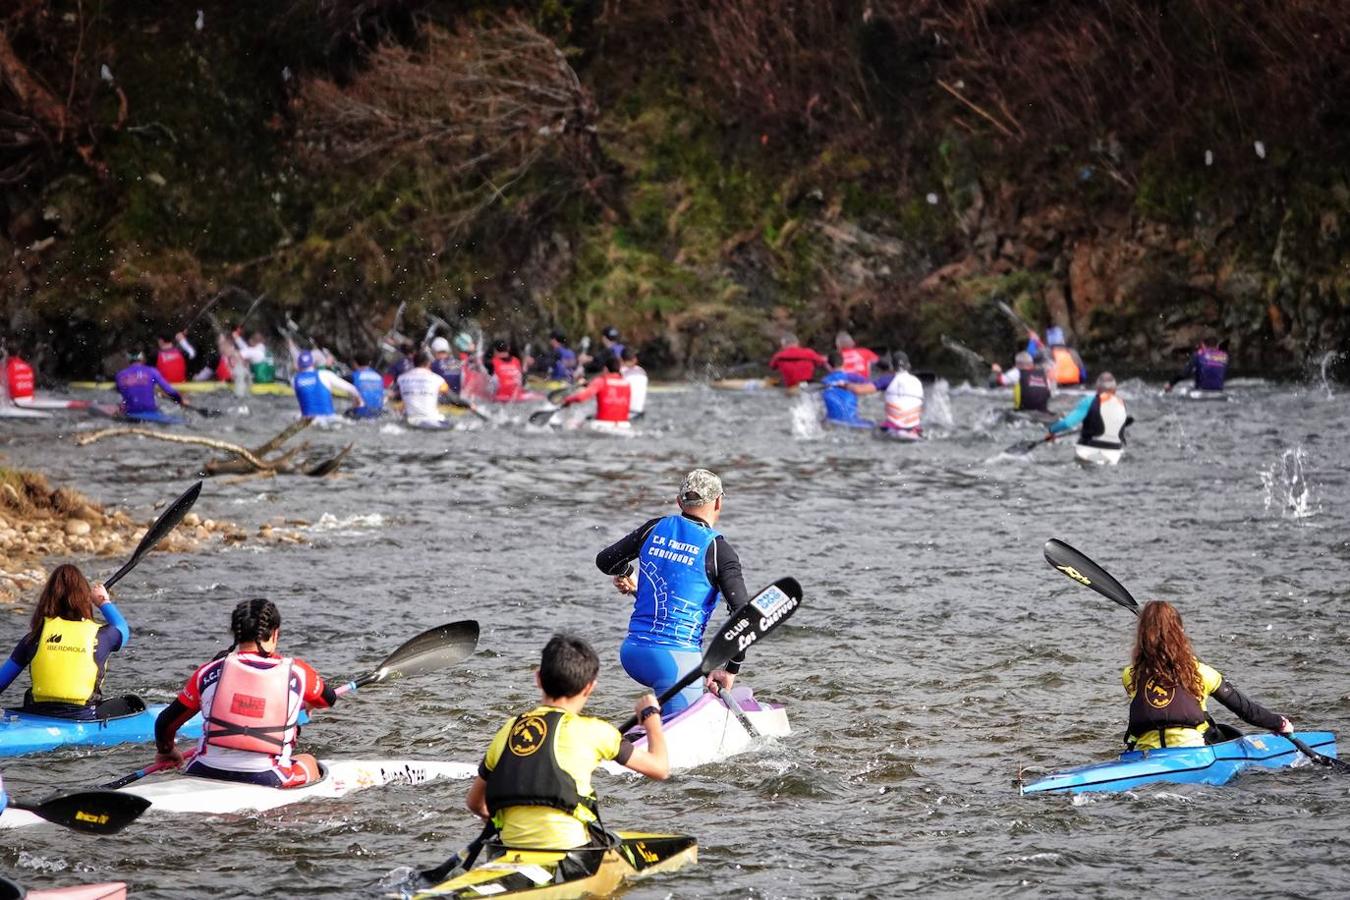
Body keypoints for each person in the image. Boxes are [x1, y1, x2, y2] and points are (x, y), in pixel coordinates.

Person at [464, 634, 668, 851]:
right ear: (590, 687)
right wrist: (651, 717)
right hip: (569, 851)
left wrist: (506, 827)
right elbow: (660, 769)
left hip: (509, 849)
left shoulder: (510, 728)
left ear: (538, 679)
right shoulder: (596, 731)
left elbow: (475, 803)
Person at [594, 469, 749, 717]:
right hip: (675, 663)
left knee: (673, 713)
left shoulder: (653, 528)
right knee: (680, 747)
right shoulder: (720, 551)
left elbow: (605, 561)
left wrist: (627, 574)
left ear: (679, 502)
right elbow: (743, 615)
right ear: (719, 502)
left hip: (632, 653)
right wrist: (731, 668)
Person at [154, 599, 335, 788]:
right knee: (309, 761)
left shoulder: (207, 671)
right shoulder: (298, 672)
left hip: (201, 769)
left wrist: (167, 752)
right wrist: (309, 703)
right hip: (268, 777)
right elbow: (328, 698)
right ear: (275, 633)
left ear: (236, 635)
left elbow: (165, 723)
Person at [1123, 600, 1292, 750]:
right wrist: (1280, 723)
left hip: (1144, 754)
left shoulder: (1131, 675)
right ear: (1180, 632)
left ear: (1142, 636)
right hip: (1193, 752)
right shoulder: (1202, 673)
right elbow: (1246, 710)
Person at [0, 565, 129, 720]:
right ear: (84, 600)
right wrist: (103, 602)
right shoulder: (101, 636)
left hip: (37, 715)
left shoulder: (34, 638)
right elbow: (123, 629)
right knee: (129, 704)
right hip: (82, 717)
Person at [1047, 372, 1132, 464]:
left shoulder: (1089, 401)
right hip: (1114, 450)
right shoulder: (1121, 403)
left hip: (1088, 448)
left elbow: (1067, 423)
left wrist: (1052, 430)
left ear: (1098, 389)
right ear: (1114, 389)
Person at [115, 350, 190, 419]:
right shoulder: (152, 371)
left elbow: (122, 391)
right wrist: (179, 400)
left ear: (128, 360)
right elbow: (169, 390)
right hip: (150, 411)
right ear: (142, 359)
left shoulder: (120, 375)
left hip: (130, 413)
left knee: (123, 405)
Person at [561, 356, 631, 428]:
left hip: (602, 424)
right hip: (624, 425)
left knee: (572, 422)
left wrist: (567, 400)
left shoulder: (601, 381)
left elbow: (581, 398)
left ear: (605, 369)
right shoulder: (626, 383)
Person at [292, 349, 362, 418]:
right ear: (312, 363)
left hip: (307, 421)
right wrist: (359, 401)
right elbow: (352, 389)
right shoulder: (324, 374)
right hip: (329, 418)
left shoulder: (294, 380)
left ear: (298, 365)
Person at [820, 351, 876, 428]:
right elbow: (871, 386)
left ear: (828, 366)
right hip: (853, 421)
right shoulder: (854, 377)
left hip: (833, 421)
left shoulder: (824, 381)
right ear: (844, 364)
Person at [396, 350, 451, 428]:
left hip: (411, 421)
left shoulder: (401, 378)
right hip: (433, 421)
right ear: (428, 363)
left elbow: (396, 395)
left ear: (414, 363)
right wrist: (471, 405)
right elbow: (453, 398)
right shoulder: (438, 379)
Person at [879, 351, 923, 439]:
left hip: (893, 430)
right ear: (909, 365)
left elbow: (861, 389)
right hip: (913, 430)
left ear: (891, 366)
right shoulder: (917, 382)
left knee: (876, 430)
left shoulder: (887, 380)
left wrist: (846, 385)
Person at [348, 351, 386, 419]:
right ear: (370, 363)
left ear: (354, 363)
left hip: (360, 413)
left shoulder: (352, 377)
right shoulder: (379, 377)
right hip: (378, 413)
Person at [620, 346, 648, 422]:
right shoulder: (642, 372)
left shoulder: (620, 373)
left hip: (626, 415)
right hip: (639, 413)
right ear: (635, 360)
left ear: (621, 360)